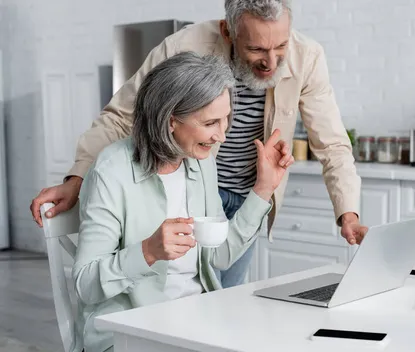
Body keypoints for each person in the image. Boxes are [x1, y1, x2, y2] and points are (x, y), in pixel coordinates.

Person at [31, 0, 367, 289]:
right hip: (189, 190)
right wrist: (77, 179)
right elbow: (122, 116)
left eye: (281, 47)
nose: (272, 62)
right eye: (256, 49)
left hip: (249, 197)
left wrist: (348, 213)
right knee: (161, 285)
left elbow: (333, 144)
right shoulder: (184, 46)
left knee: (219, 298)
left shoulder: (307, 57)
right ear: (228, 32)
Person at [72, 52, 285, 352]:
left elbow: (220, 256)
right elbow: (85, 285)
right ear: (171, 120)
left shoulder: (200, 164)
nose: (222, 135)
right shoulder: (113, 171)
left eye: (226, 120)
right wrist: (147, 252)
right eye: (211, 123)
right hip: (128, 336)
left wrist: (263, 188)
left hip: (194, 324)